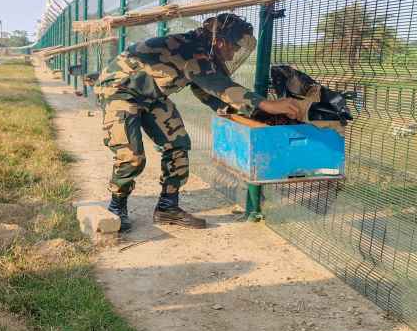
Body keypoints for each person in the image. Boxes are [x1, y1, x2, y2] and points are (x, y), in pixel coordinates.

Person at [95, 13, 301, 232]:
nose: (233, 55)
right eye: (234, 48)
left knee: (178, 144)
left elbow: (207, 93)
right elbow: (221, 87)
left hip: (151, 96)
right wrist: (268, 105)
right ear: (220, 42)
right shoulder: (193, 50)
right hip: (119, 91)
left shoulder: (204, 51)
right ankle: (117, 207)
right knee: (132, 157)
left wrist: (251, 116)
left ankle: (167, 207)